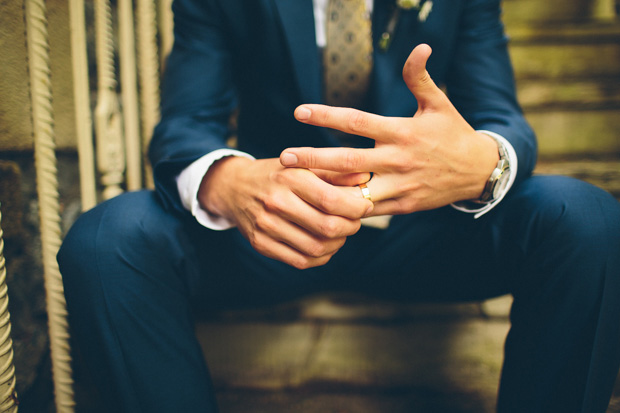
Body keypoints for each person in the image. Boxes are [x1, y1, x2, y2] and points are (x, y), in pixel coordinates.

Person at [57, 0, 620, 411]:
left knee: (589, 219)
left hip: (421, 232)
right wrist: (230, 179)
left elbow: (505, 117)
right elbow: (185, 123)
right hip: (272, 231)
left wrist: (482, 159)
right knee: (107, 239)